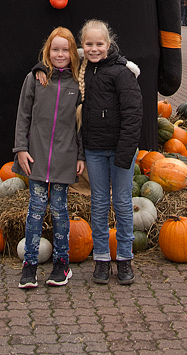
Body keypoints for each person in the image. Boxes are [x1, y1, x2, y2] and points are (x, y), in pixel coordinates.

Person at [13, 26, 84, 289]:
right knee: (35, 211)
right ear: (47, 51)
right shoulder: (35, 79)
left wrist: (81, 155)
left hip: (65, 156)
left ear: (73, 53)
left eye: (65, 49)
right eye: (55, 49)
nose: (60, 54)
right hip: (37, 156)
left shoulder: (78, 83)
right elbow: (23, 116)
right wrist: (21, 148)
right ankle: (29, 265)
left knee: (59, 210)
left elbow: (82, 125)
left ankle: (61, 264)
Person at [78, 19, 143, 286]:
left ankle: (125, 259)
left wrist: (125, 153)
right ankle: (102, 259)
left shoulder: (122, 72)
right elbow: (51, 63)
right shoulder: (83, 71)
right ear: (83, 46)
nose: (94, 49)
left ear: (109, 44)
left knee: (123, 204)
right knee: (99, 204)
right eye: (89, 44)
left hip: (119, 150)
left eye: (99, 44)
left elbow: (133, 114)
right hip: (94, 150)